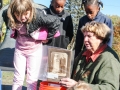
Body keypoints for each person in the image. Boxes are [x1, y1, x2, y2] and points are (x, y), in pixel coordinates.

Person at [7, 0, 60, 89]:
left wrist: (48, 38)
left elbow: (55, 22)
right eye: (18, 15)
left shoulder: (38, 16)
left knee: (32, 79)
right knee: (18, 77)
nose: (22, 17)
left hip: (34, 51)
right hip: (20, 50)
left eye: (25, 14)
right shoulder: (11, 17)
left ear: (30, 10)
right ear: (13, 13)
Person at [60, 21, 120, 90]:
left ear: (100, 38)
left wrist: (78, 86)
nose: (85, 40)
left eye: (89, 36)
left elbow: (111, 88)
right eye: (85, 36)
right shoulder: (84, 52)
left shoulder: (109, 59)